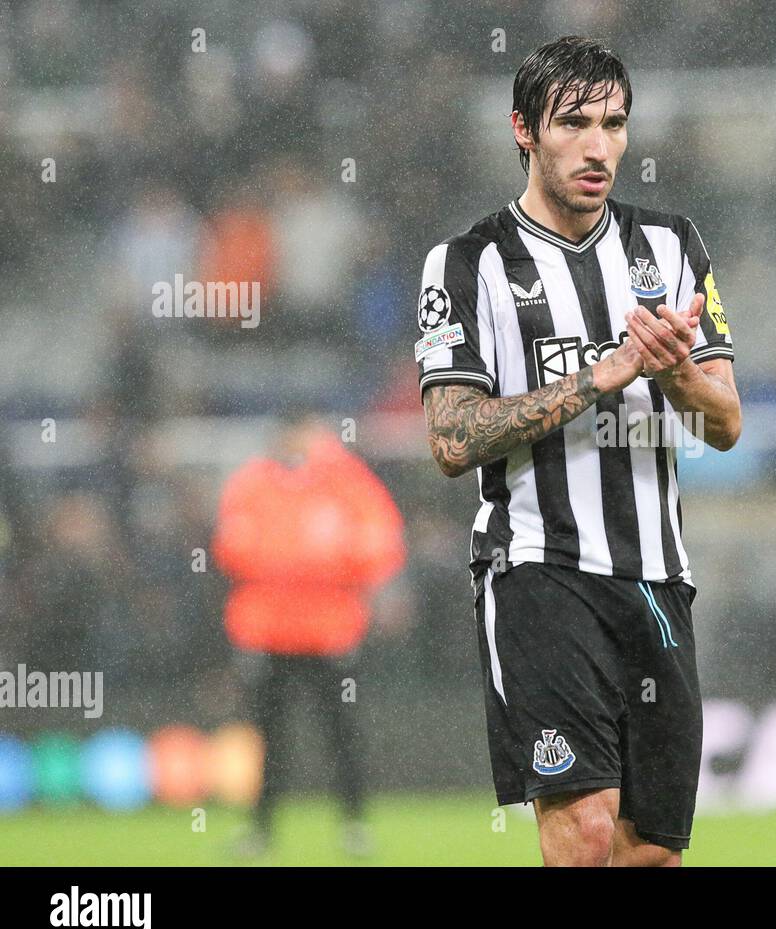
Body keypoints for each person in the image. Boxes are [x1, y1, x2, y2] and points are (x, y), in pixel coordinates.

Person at [416, 36, 741, 866]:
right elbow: (453, 440)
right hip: (539, 571)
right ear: (524, 129)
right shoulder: (467, 263)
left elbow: (725, 424)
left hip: (657, 578)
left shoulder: (672, 247)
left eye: (615, 124)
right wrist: (600, 378)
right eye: (575, 124)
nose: (600, 147)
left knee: (651, 853)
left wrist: (672, 373)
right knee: (585, 831)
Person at [213, 414, 405, 857]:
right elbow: (232, 548)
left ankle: (354, 824)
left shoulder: (345, 479)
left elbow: (379, 543)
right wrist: (315, 563)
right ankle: (261, 830)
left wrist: (312, 564)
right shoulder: (253, 483)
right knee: (269, 738)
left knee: (342, 735)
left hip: (330, 632)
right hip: (270, 632)